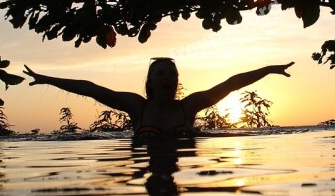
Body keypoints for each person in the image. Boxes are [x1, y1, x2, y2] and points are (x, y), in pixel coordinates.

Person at [23, 58, 294, 137]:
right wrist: (47, 79)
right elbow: (91, 88)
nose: (168, 78)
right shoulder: (136, 106)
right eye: (161, 74)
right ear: (150, 82)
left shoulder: (189, 107)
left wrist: (269, 69)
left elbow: (231, 84)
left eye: (171, 74)